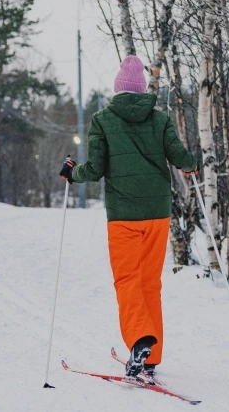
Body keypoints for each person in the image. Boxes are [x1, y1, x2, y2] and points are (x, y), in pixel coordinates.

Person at [58, 55, 197, 378]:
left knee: (127, 280)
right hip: (158, 213)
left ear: (119, 90)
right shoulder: (159, 119)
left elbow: (93, 169)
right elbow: (179, 155)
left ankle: (139, 339)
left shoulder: (103, 120)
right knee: (150, 282)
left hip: (123, 216)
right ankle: (151, 355)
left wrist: (71, 173)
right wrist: (190, 165)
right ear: (141, 89)